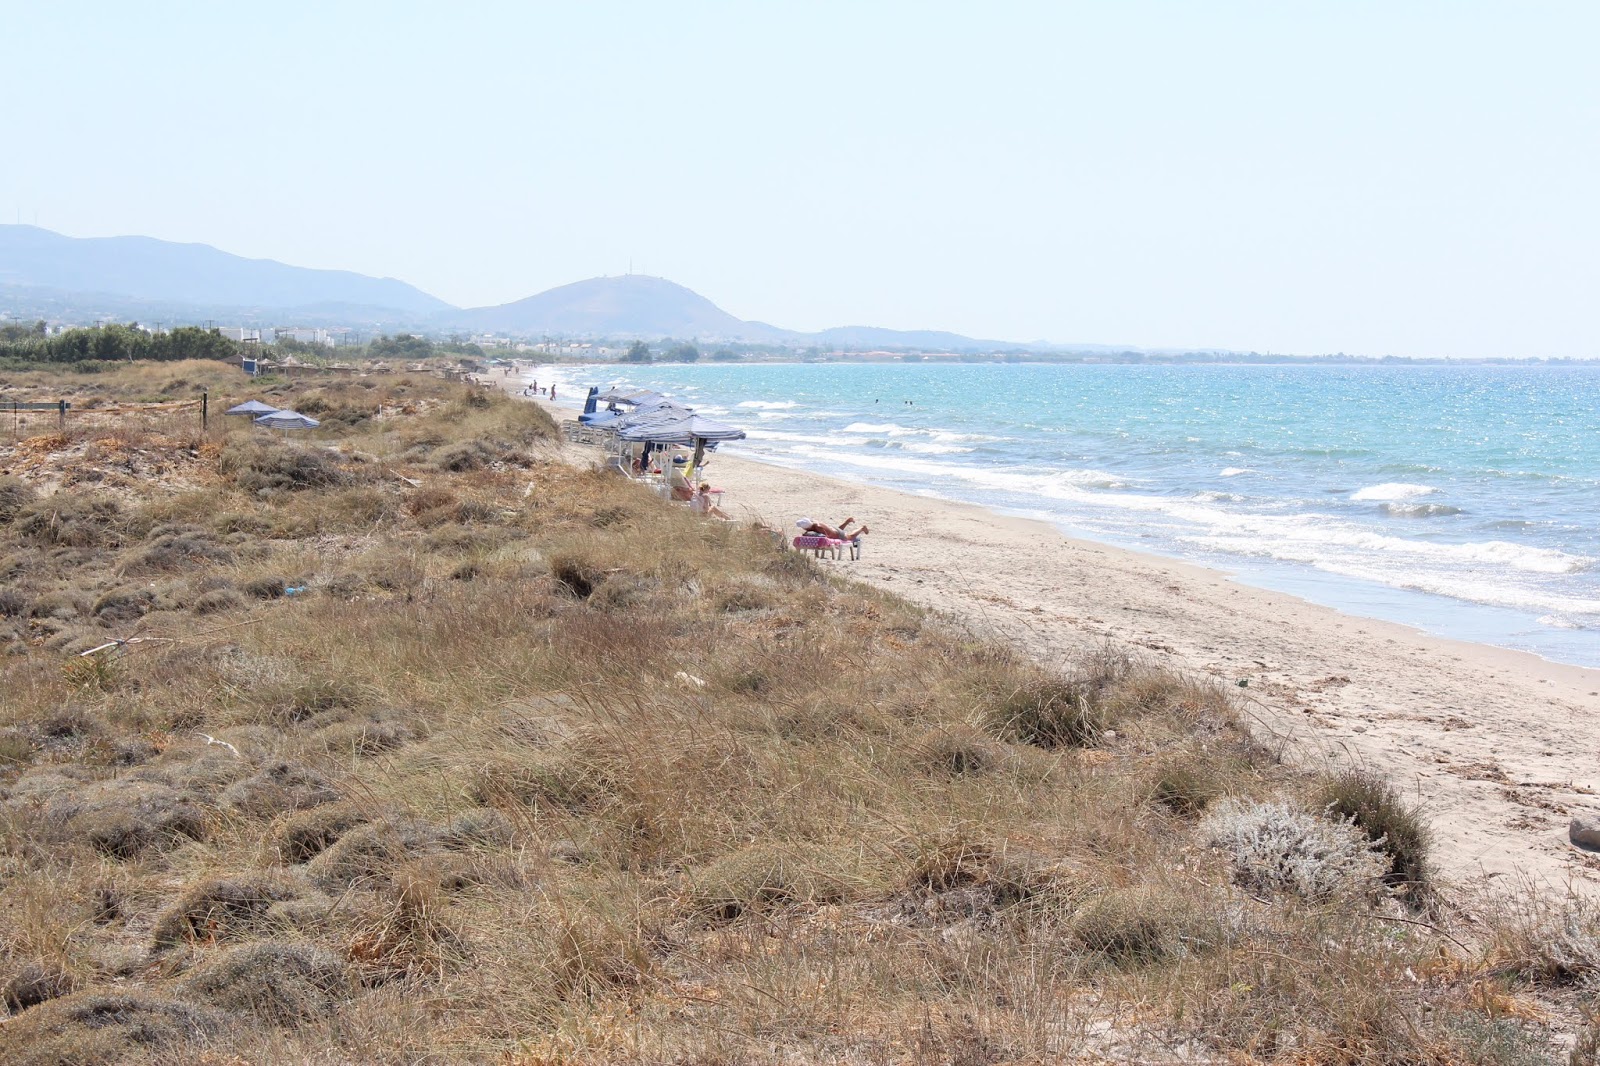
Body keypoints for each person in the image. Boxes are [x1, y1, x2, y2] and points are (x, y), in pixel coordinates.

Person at [795, 516, 868, 540]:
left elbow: (825, 536)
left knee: (850, 537)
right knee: (837, 530)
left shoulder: (818, 528)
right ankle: (847, 521)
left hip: (837, 534)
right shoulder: (814, 523)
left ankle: (862, 528)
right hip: (834, 529)